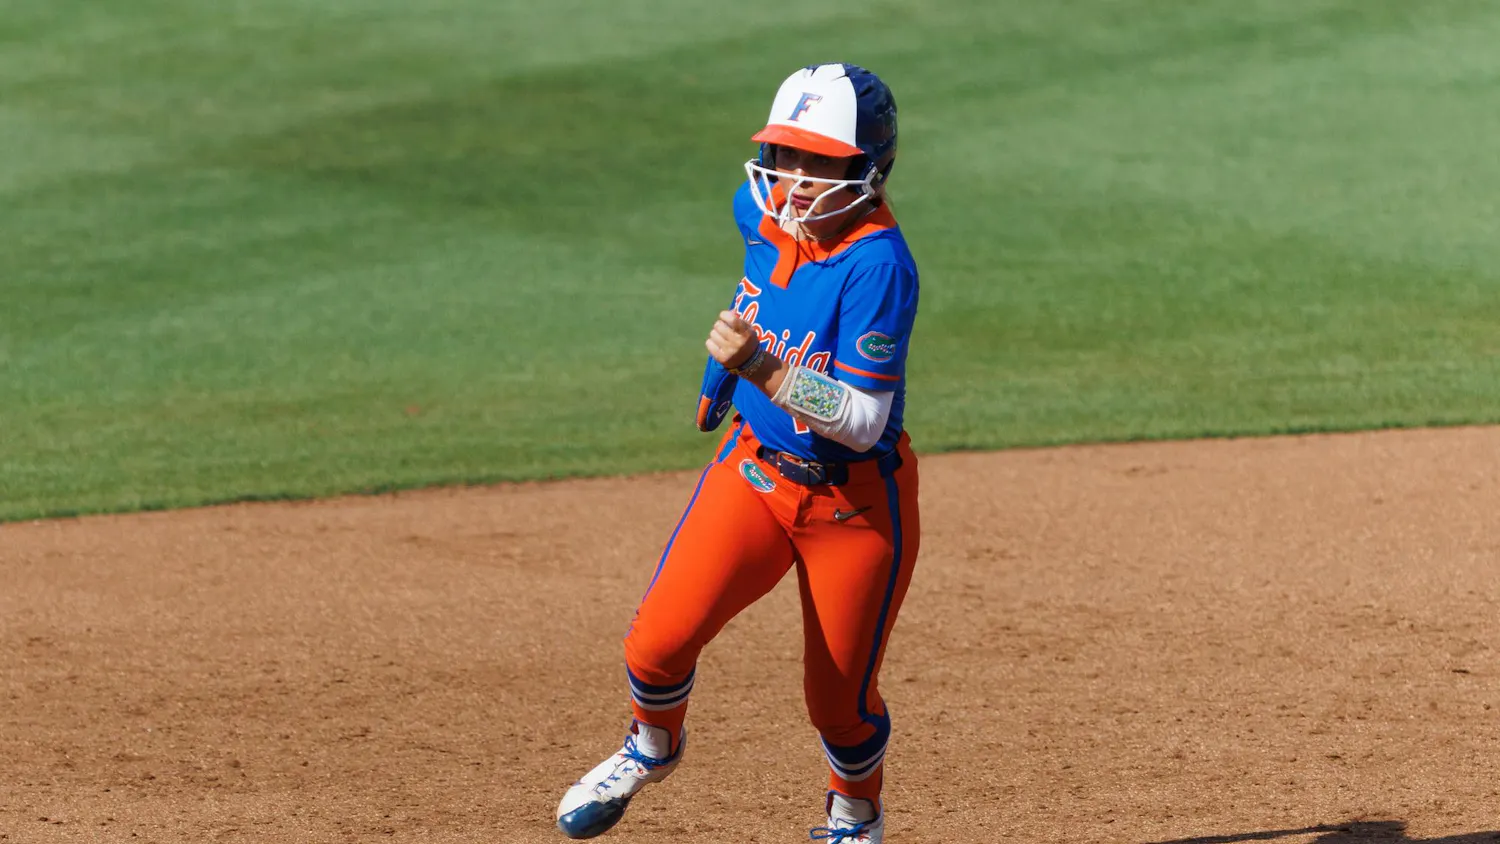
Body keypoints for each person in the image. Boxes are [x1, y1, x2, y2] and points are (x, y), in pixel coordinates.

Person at [555, 62, 920, 844]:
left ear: (866, 170)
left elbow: (862, 419)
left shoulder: (879, 266)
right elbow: (756, 291)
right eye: (785, 156)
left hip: (851, 506)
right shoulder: (759, 213)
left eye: (815, 162)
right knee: (657, 642)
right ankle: (652, 745)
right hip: (753, 471)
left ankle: (854, 812)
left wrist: (759, 367)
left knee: (839, 705)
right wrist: (723, 371)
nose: (791, 179)